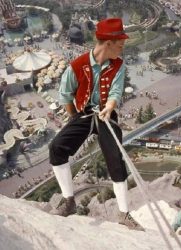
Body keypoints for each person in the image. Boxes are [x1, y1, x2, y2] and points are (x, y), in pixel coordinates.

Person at [49, 18, 144, 231]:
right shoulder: (77, 66)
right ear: (108, 42)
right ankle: (69, 201)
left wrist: (110, 106)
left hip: (106, 116)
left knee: (116, 160)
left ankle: (124, 214)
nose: (122, 48)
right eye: (120, 44)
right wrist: (74, 117)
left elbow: (116, 91)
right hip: (83, 115)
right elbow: (65, 95)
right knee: (56, 148)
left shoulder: (118, 65)